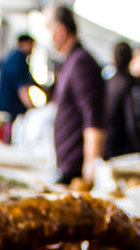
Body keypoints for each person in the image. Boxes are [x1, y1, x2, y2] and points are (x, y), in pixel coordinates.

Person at [45, 6, 105, 184]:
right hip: (67, 166)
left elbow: (93, 115)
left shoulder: (81, 62)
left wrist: (91, 165)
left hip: (77, 172)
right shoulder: (70, 61)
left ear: (61, 31)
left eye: (49, 30)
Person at [104, 42, 140, 160]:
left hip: (108, 145)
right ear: (131, 59)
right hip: (124, 150)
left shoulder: (108, 83)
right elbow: (131, 121)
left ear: (113, 59)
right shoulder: (130, 84)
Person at [0, 34, 38, 121]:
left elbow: (29, 82)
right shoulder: (18, 59)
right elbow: (22, 88)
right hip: (11, 111)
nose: (33, 48)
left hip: (10, 109)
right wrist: (34, 112)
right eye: (32, 45)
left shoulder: (15, 58)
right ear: (24, 44)